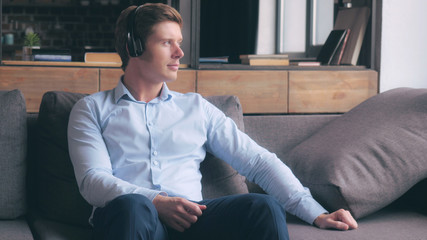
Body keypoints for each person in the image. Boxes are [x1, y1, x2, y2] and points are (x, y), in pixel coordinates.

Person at [68, 3, 358, 240]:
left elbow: (258, 162)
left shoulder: (196, 107)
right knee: (133, 208)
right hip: (131, 219)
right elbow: (93, 181)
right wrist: (156, 201)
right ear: (133, 46)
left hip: (193, 219)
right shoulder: (91, 110)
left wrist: (316, 213)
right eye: (167, 43)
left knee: (264, 207)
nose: (179, 53)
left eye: (179, 43)